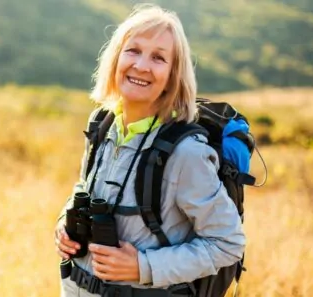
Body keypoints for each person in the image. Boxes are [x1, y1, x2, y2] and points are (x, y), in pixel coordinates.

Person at [54, 4, 246, 297]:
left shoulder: (185, 154)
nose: (141, 66)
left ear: (173, 75)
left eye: (158, 58)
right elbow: (83, 186)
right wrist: (64, 224)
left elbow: (227, 243)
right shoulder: (102, 124)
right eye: (133, 50)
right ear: (116, 57)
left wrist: (143, 266)